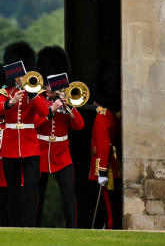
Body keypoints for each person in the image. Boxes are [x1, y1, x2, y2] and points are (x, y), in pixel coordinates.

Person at [0, 41, 50, 228]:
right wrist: (10, 102)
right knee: (13, 189)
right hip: (10, 146)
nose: (21, 78)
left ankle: (29, 225)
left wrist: (32, 94)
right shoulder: (6, 92)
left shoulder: (33, 92)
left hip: (30, 146)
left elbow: (44, 112)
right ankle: (14, 225)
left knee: (32, 187)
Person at [34, 46, 84, 228]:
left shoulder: (66, 100)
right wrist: (51, 109)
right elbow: (35, 123)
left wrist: (68, 107)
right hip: (41, 153)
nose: (49, 88)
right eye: (46, 84)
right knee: (37, 196)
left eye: (51, 84)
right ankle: (34, 228)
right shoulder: (39, 100)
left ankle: (72, 229)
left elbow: (79, 125)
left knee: (69, 194)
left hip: (62, 155)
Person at [88, 58, 121, 229]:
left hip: (103, 167)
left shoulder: (102, 117)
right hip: (111, 165)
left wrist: (101, 171)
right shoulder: (112, 115)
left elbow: (102, 145)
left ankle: (108, 227)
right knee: (110, 203)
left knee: (107, 205)